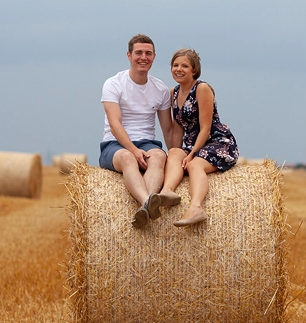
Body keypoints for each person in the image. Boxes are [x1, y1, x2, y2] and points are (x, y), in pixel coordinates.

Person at [99, 34, 175, 229]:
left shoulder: (160, 89)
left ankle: (145, 207)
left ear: (154, 57)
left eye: (148, 53)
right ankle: (147, 201)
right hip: (114, 145)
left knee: (159, 157)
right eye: (138, 53)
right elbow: (115, 124)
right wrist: (133, 149)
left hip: (147, 143)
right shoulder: (113, 84)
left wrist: (176, 156)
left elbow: (167, 129)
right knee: (128, 159)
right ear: (129, 55)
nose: (143, 57)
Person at [160, 48, 239, 226]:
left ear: (194, 69)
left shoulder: (202, 88)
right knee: (173, 153)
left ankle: (196, 208)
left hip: (217, 142)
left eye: (185, 66)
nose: (178, 69)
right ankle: (167, 192)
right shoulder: (173, 92)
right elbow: (178, 127)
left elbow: (205, 128)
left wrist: (192, 154)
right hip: (192, 143)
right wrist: (176, 153)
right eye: (175, 65)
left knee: (195, 164)